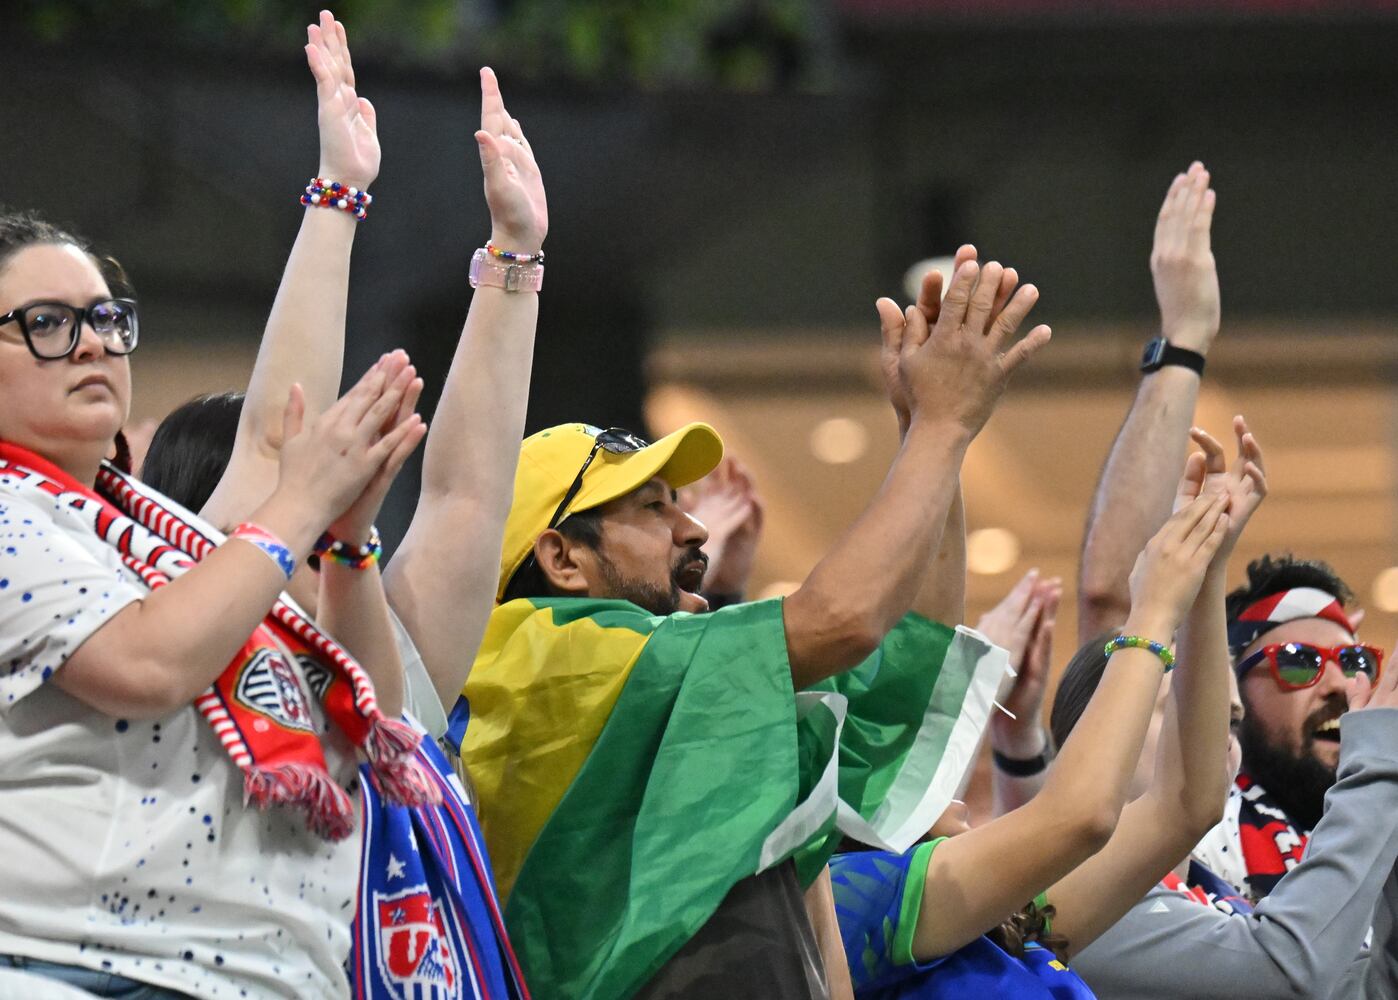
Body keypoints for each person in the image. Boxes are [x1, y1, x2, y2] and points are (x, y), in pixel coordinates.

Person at [458, 255, 1051, 999]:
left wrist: (930, 440)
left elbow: (895, 673)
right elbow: (843, 620)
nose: (693, 528)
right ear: (562, 558)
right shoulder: (544, 652)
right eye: (651, 508)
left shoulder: (662, 697)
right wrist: (941, 423)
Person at [139, 12, 543, 997]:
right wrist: (337, 194)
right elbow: (278, 439)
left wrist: (516, 259)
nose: (331, 470)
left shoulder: (390, 662)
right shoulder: (194, 657)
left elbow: (467, 493)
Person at [0, 204, 431, 999]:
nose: (92, 343)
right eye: (46, 323)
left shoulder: (164, 543)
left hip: (274, 976)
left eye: (104, 318)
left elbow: (368, 722)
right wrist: (299, 501)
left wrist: (343, 542)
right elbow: (146, 660)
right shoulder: (14, 517)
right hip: (90, 972)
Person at [1076, 163, 1375, 905]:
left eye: (1355, 660)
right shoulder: (1196, 820)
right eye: (1301, 662)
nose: (1338, 684)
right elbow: (1114, 602)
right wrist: (1184, 342)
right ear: (1229, 687)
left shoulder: (1380, 824)